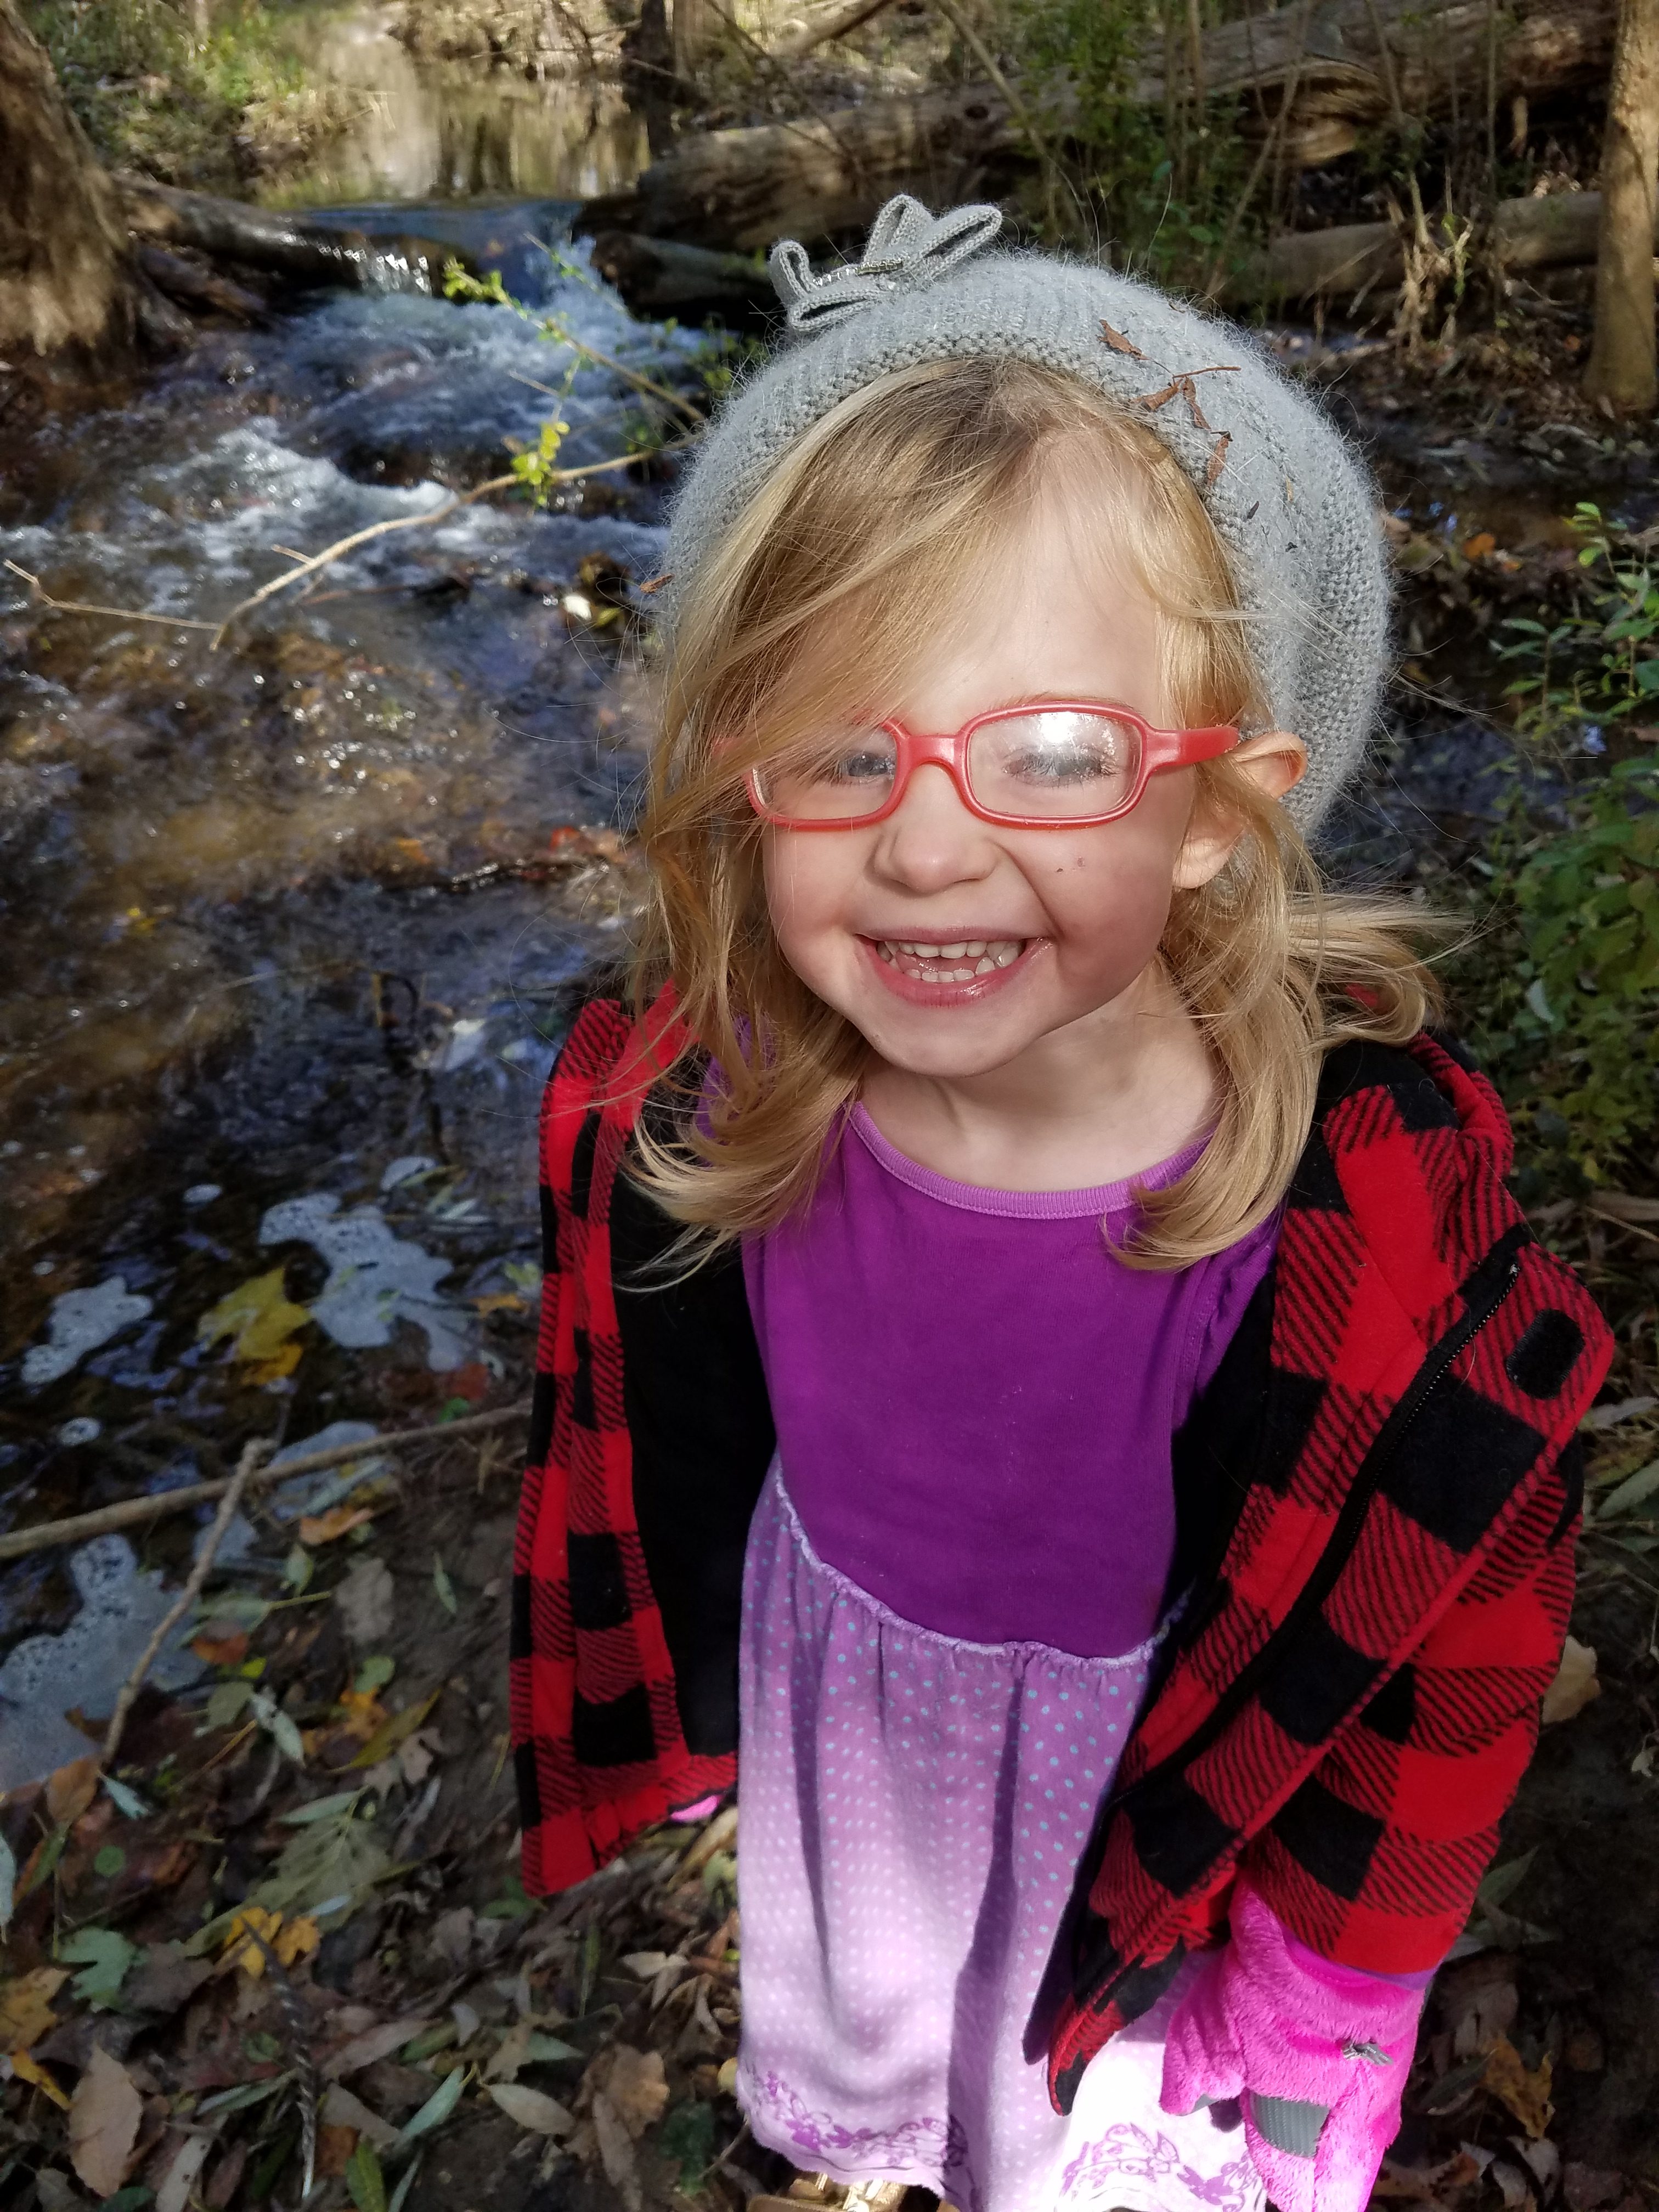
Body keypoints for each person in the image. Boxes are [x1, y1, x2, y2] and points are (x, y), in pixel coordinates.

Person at [509, 198, 1611, 2212]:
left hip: (1149, 1836)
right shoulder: (709, 1104)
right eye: (842, 749)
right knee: (926, 2106)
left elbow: (1441, 1650)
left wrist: (1335, 1996)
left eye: (1048, 753)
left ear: (1218, 811)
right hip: (865, 1772)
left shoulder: (1347, 1241)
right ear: (740, 780)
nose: (929, 848)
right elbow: (627, 1436)